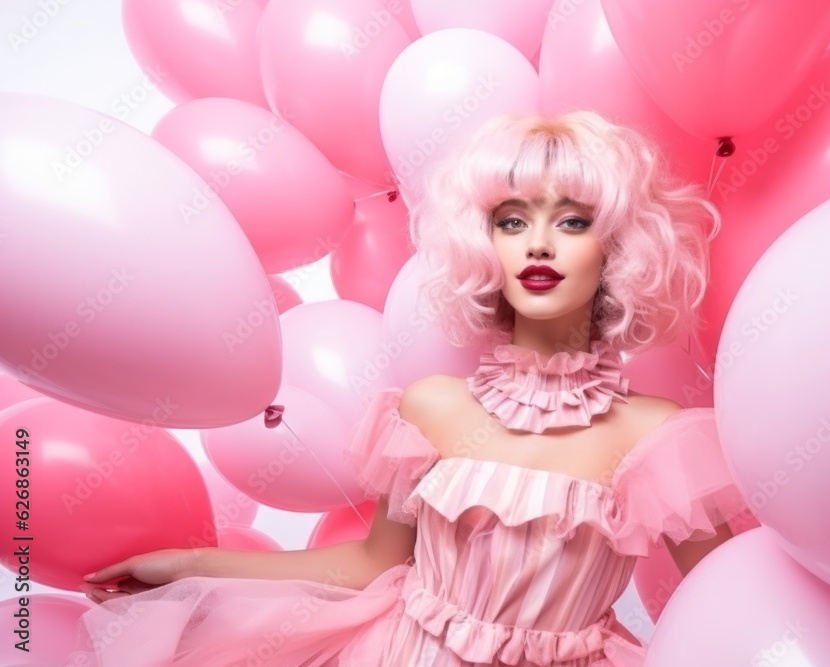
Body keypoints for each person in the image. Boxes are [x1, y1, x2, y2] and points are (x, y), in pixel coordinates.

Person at [68, 111, 752, 666]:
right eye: (512, 220)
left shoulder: (657, 436)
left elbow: (727, 609)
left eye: (572, 220)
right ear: (485, 243)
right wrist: (192, 565)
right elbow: (371, 563)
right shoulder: (432, 406)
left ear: (619, 248)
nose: (538, 244)